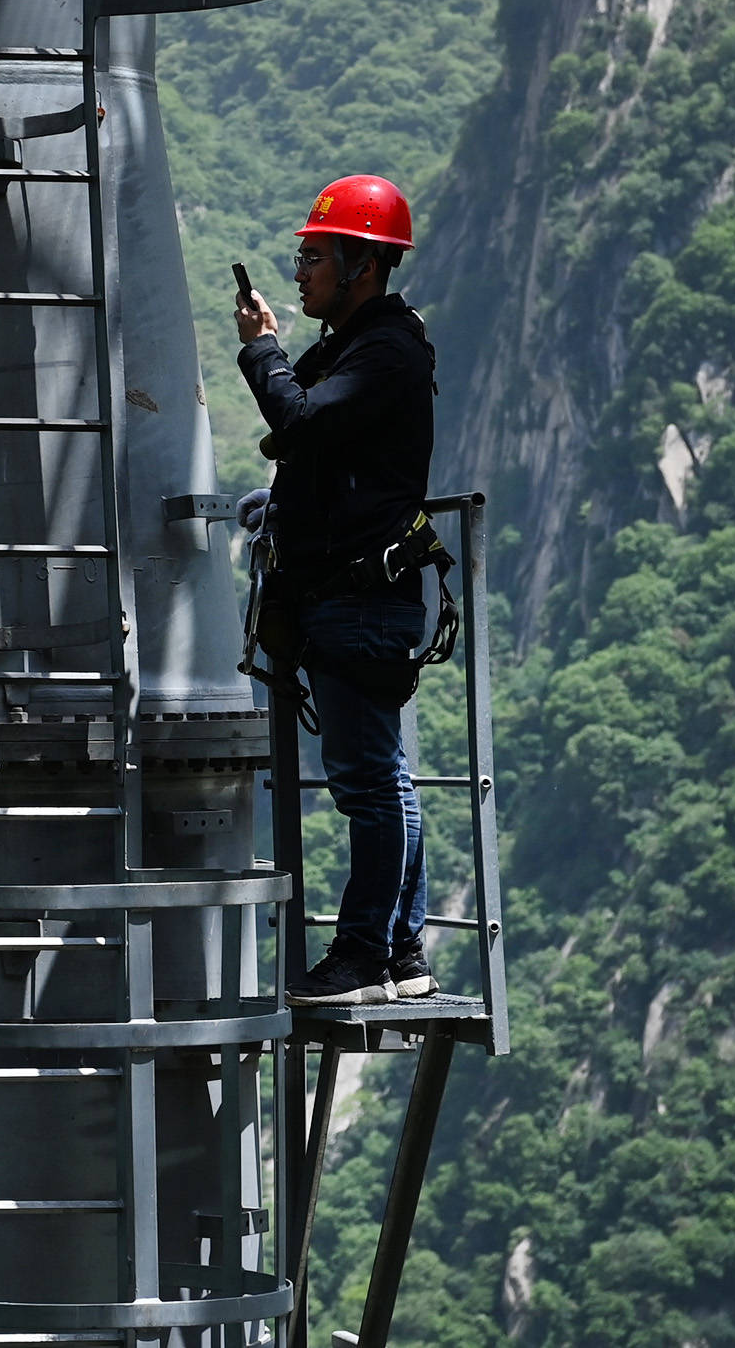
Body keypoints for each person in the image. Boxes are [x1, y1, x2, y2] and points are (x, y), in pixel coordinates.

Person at [234, 174, 444, 1008]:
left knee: (368, 781)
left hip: (358, 597)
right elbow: (306, 431)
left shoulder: (387, 350)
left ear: (361, 265)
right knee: (378, 775)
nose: (299, 271)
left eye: (313, 256)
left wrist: (260, 350)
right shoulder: (354, 345)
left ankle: (363, 955)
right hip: (349, 593)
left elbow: (305, 423)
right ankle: (401, 954)